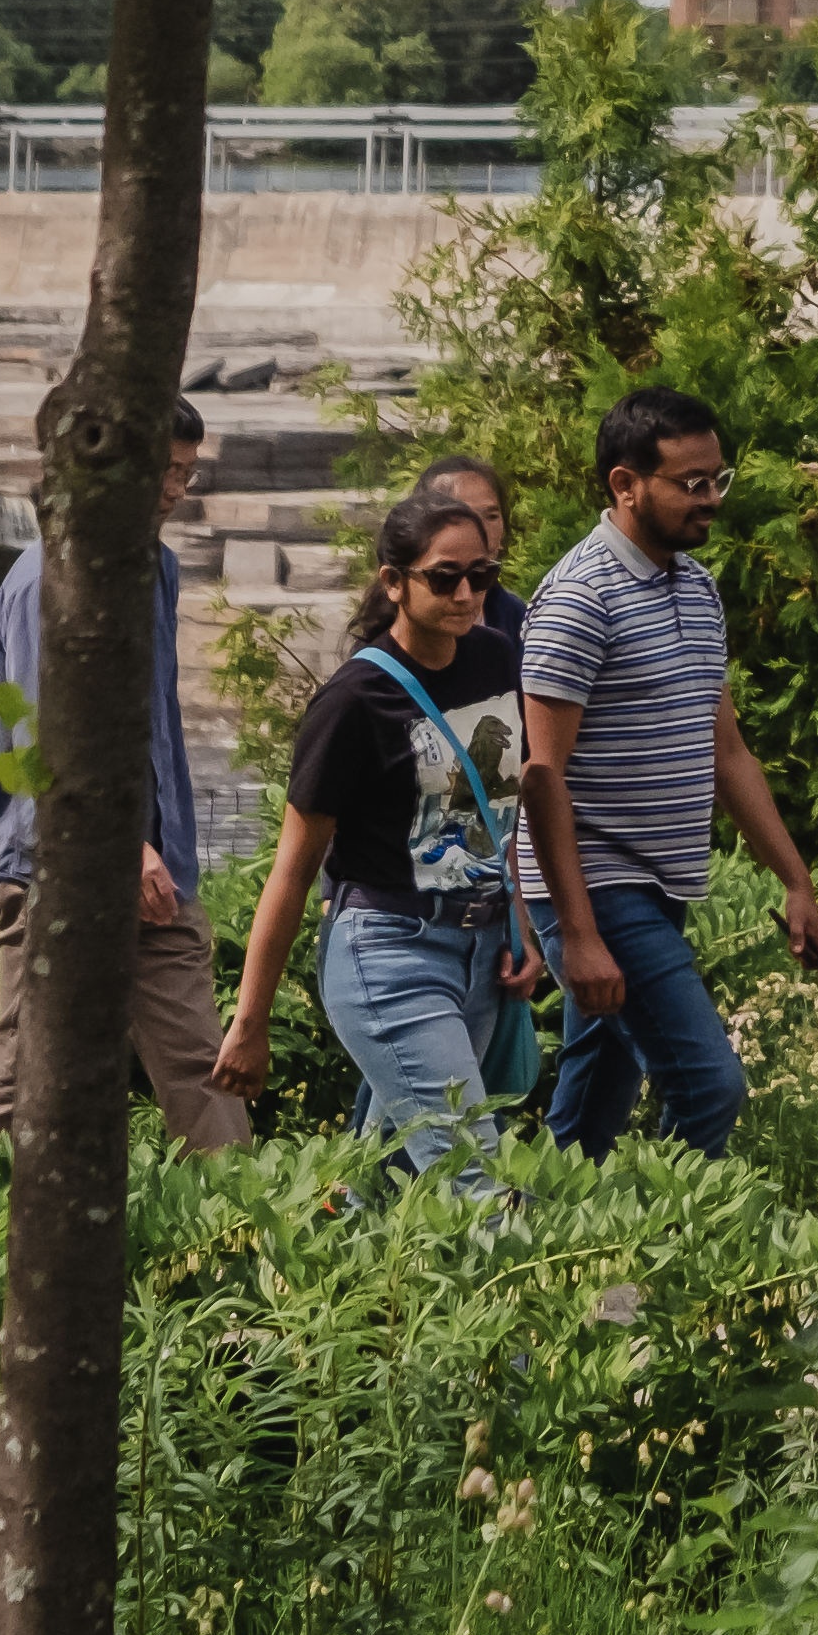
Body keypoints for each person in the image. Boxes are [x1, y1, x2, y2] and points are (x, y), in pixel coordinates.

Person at [528, 389, 818, 1157]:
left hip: (661, 884)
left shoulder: (693, 586)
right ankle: (683, 1243)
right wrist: (581, 934)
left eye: (717, 480)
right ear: (625, 486)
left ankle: (535, 1244)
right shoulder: (579, 598)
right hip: (599, 885)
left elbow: (727, 752)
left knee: (595, 1106)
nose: (711, 501)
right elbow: (540, 776)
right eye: (690, 484)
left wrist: (795, 881)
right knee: (708, 1083)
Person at [0, 399, 257, 1161]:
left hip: (161, 866)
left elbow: (153, 724)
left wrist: (161, 848)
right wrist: (118, 846)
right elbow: (28, 739)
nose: (172, 490)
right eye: (163, 470)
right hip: (52, 864)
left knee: (200, 1060)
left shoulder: (158, 566)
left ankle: (245, 1224)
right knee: (26, 1056)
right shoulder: (42, 583)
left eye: (185, 475)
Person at [219, 492, 540, 1168]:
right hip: (390, 954)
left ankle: (318, 1266)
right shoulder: (352, 701)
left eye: (481, 576)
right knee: (470, 1170)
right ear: (394, 582)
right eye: (444, 577)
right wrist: (250, 1023)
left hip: (481, 948)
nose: (465, 593)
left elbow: (501, 810)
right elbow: (294, 868)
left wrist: (520, 926)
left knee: (391, 1177)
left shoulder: (495, 658)